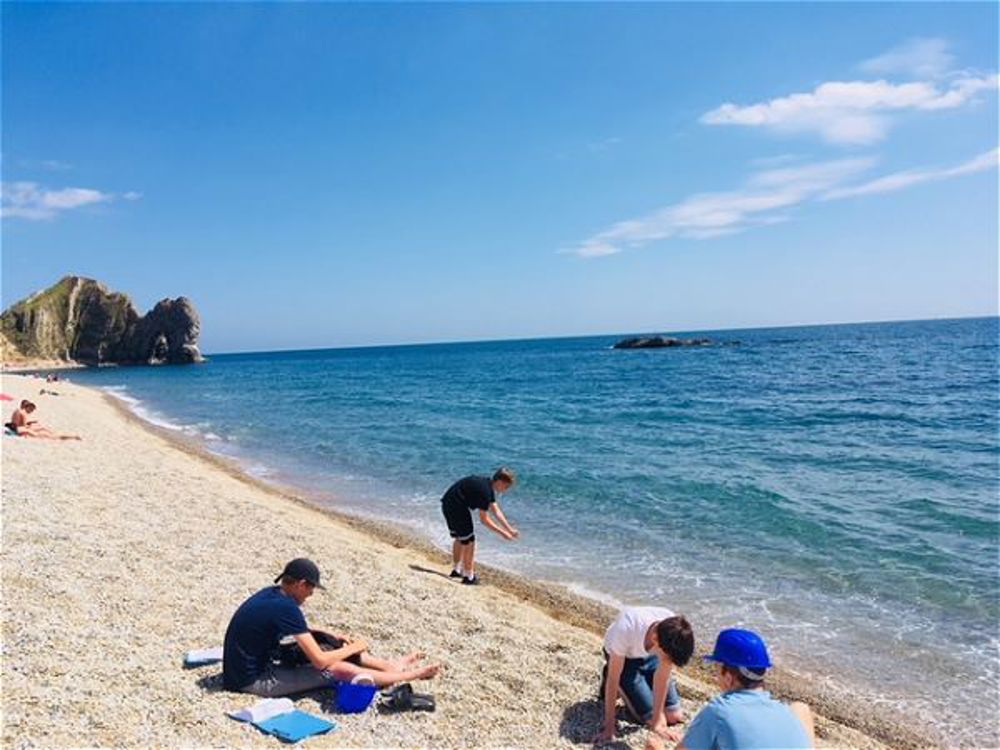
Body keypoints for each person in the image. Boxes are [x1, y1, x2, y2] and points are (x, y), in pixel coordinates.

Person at [223, 558, 440, 697]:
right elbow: (320, 661)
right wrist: (355, 648)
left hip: (252, 664)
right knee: (336, 668)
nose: (311, 594)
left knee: (325, 642)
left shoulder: (273, 594)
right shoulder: (287, 608)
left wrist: (329, 636)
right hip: (251, 680)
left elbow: (300, 629)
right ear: (300, 584)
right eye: (311, 589)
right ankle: (410, 675)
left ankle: (391, 666)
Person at [662, 628, 814, 750]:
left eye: (717, 668)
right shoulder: (783, 712)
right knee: (800, 708)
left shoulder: (719, 711)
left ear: (728, 677)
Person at [595, 607, 695, 746]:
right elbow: (613, 679)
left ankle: (634, 686)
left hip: (651, 655)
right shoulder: (625, 628)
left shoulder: (672, 630)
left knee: (673, 716)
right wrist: (609, 727)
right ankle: (616, 677)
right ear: (655, 638)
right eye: (668, 660)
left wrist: (657, 723)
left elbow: (662, 678)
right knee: (646, 719)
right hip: (624, 659)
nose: (669, 664)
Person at [440, 467, 519, 585]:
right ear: (499, 482)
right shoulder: (485, 492)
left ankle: (457, 570)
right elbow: (485, 520)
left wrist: (509, 529)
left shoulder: (487, 485)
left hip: (448, 503)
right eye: (506, 487)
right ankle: (469, 576)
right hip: (456, 507)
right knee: (469, 541)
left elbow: (496, 510)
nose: (506, 490)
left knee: (460, 539)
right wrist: (503, 533)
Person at [5, 400, 81, 440]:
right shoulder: (24, 413)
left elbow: (17, 422)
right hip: (20, 430)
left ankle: (54, 434)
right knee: (44, 434)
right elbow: (24, 426)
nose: (31, 412)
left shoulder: (17, 410)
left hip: (16, 428)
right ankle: (69, 437)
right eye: (31, 410)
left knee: (41, 428)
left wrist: (31, 423)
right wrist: (31, 426)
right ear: (28, 407)